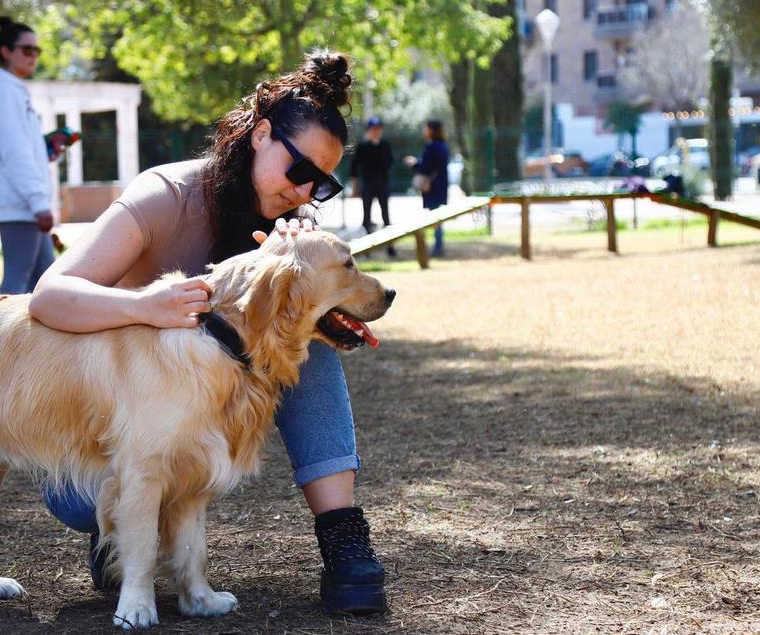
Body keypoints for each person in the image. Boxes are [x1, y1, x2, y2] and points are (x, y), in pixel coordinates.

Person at [27, 50, 387, 615]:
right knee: (83, 500)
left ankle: (343, 537)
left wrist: (294, 280)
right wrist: (142, 304)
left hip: (208, 414)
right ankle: (116, 530)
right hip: (115, 420)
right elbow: (48, 297)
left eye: (322, 185)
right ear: (261, 135)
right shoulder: (164, 196)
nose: (304, 194)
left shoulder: (290, 229)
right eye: (299, 172)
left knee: (301, 334)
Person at [0, 16, 58, 294]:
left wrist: (47, 152)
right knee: (17, 287)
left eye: (37, 50)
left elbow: (21, 148)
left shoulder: (10, 90)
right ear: (6, 51)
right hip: (19, 202)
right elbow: (14, 152)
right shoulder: (3, 91)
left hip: (23, 201)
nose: (34, 56)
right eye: (27, 50)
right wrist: (38, 202)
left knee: (45, 283)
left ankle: (33, 340)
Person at [405, 119, 451, 257]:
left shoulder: (431, 147)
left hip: (433, 186)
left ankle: (438, 246)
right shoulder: (443, 145)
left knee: (435, 216)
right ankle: (438, 244)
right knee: (438, 215)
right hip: (441, 184)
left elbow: (426, 167)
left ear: (431, 130)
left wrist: (414, 164)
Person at [349, 117, 395, 246]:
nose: (376, 131)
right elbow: (354, 167)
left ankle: (390, 246)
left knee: (386, 216)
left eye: (378, 129)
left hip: (382, 185)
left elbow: (390, 163)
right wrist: (355, 187)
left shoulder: (385, 145)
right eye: (373, 129)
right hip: (368, 184)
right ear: (368, 130)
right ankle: (366, 247)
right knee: (366, 217)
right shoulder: (362, 146)